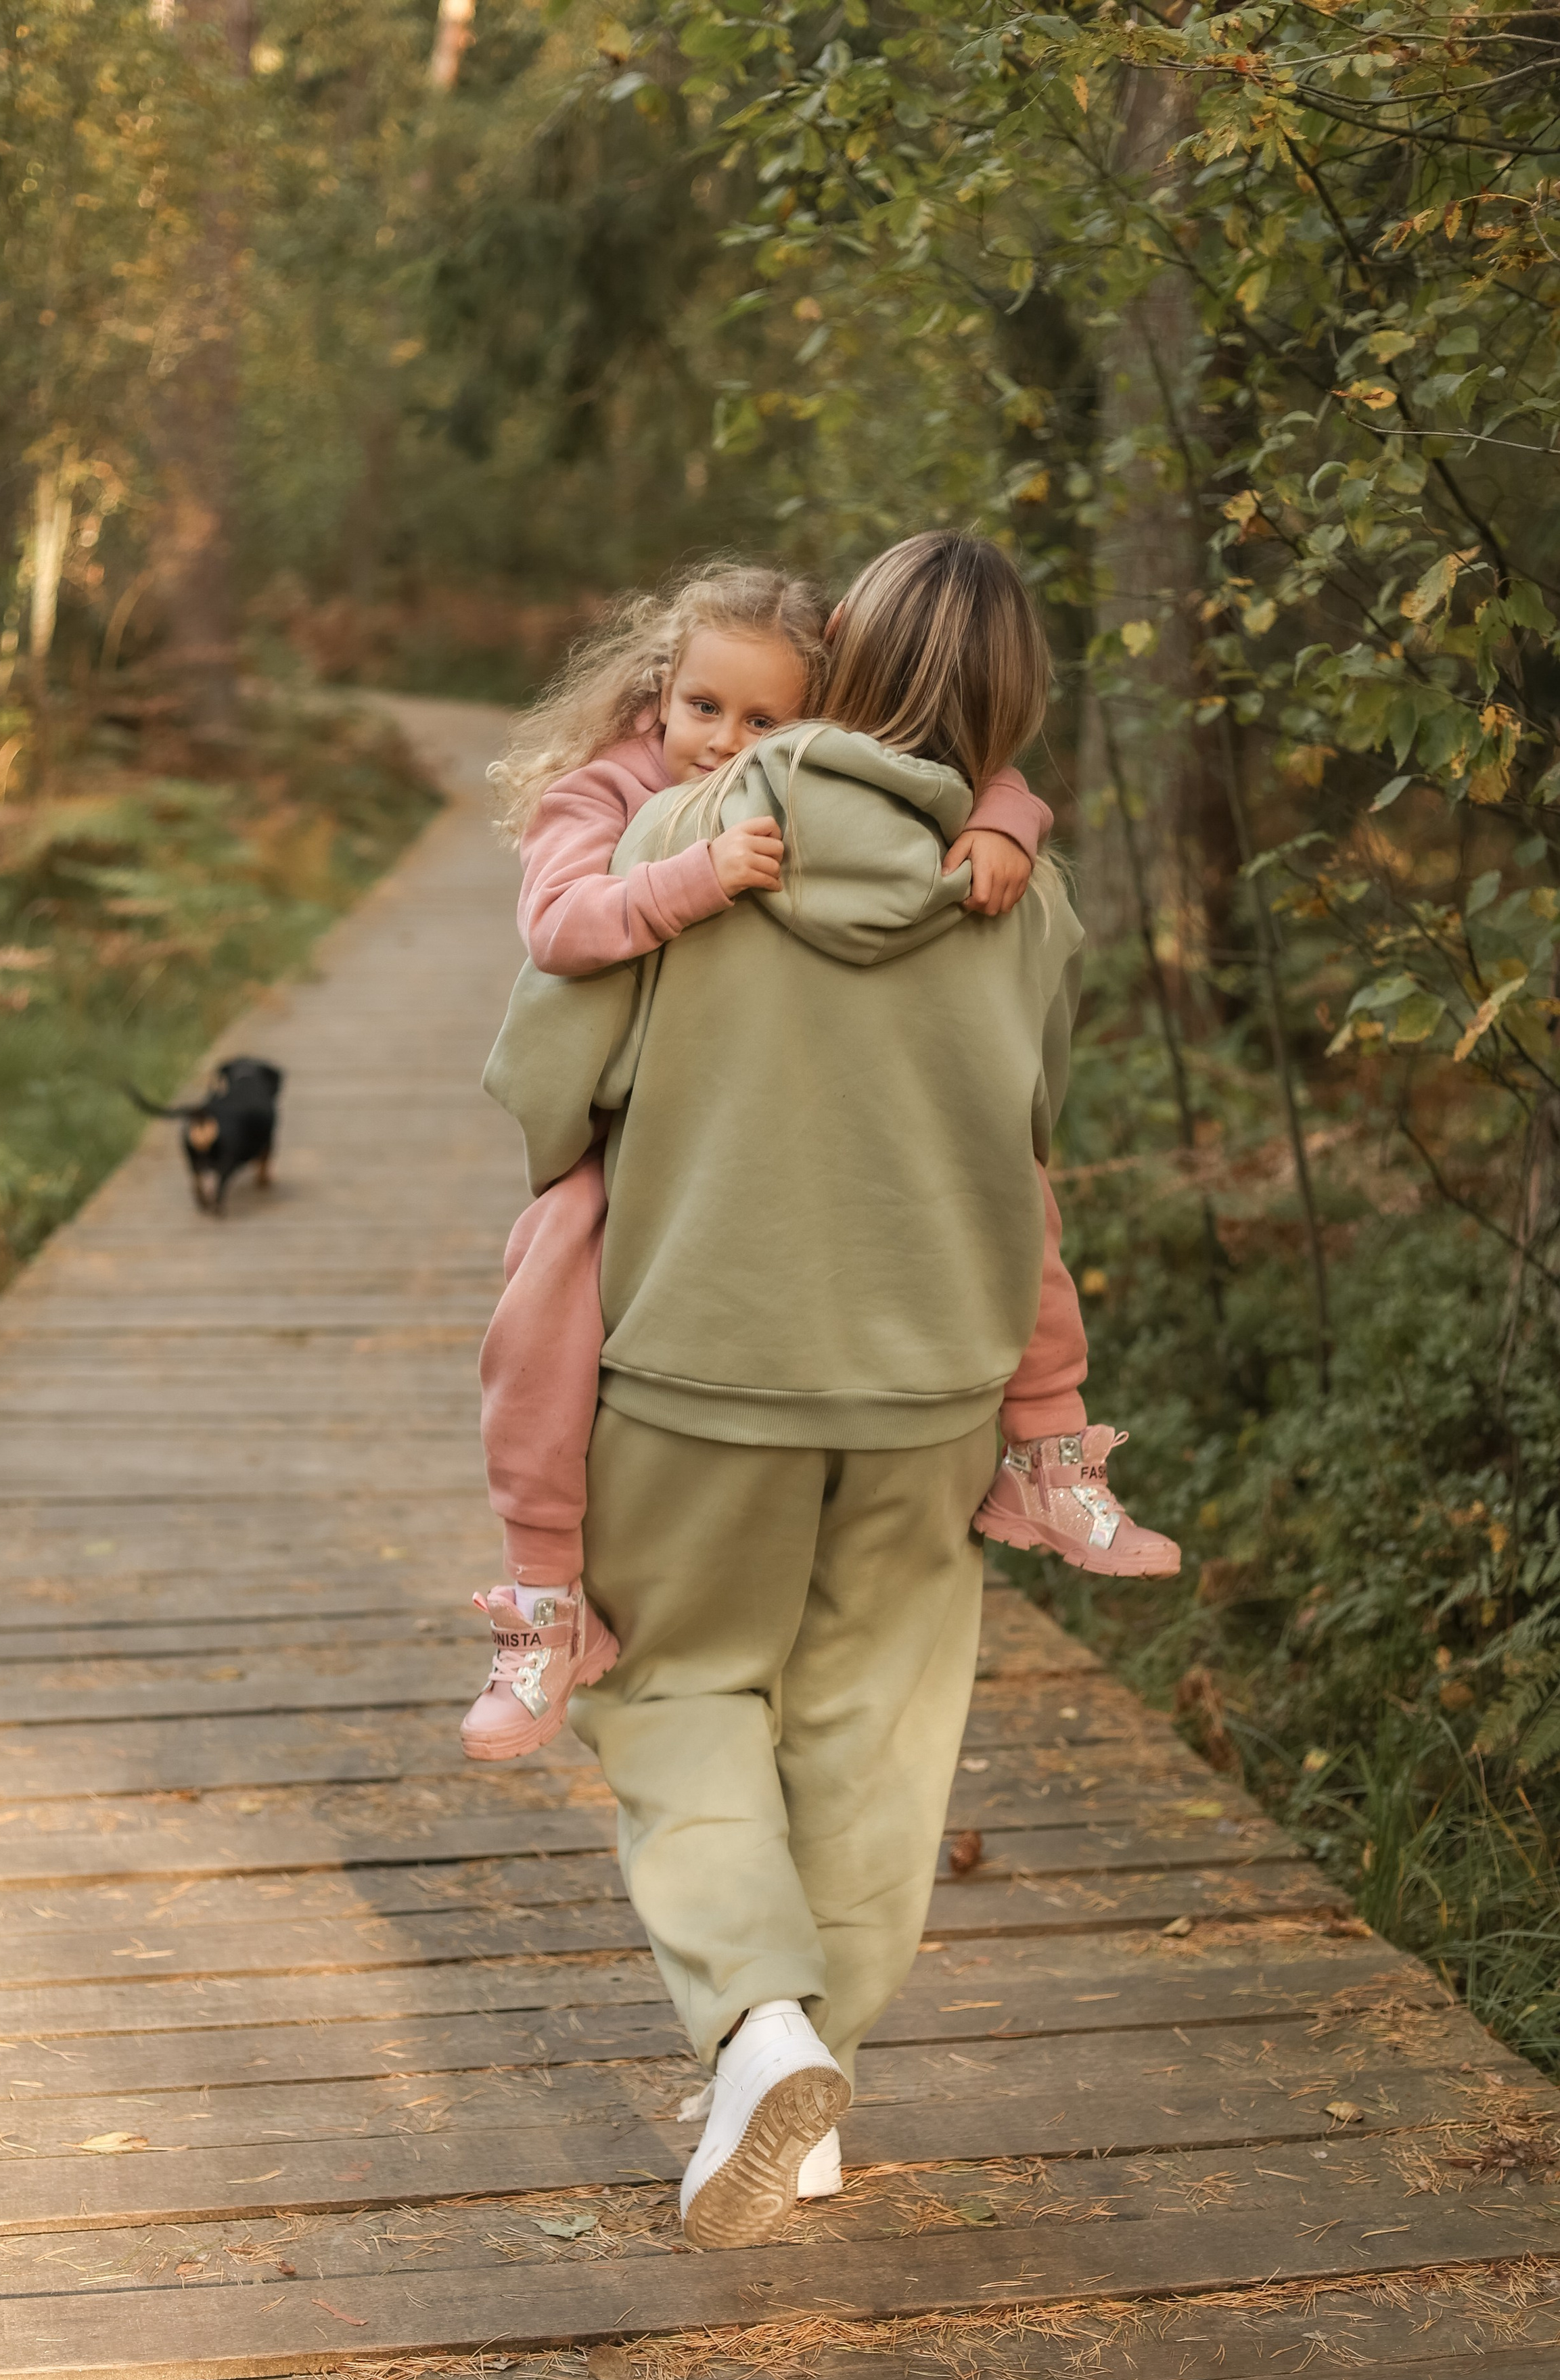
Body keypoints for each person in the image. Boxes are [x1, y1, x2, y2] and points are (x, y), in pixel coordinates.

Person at [483, 530, 1151, 2247]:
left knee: (682, 1694)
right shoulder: (1019, 885)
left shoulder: (697, 828)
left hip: (700, 1356)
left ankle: (760, 2026)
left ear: (836, 654)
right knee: (871, 1729)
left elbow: (542, 1079)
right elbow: (1028, 1130)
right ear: (1014, 706)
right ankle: (810, 2082)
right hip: (933, 1377)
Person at [463, 561, 1173, 1763]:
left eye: (764, 723)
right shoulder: (611, 794)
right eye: (702, 709)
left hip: (737, 1296)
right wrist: (693, 877)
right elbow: (558, 929)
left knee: (1019, 1193)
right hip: (671, 1179)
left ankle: (1052, 1448)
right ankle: (541, 1596)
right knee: (549, 1286)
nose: (726, 743)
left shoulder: (843, 792)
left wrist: (1010, 816)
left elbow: (961, 764)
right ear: (659, 692)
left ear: (828, 709)